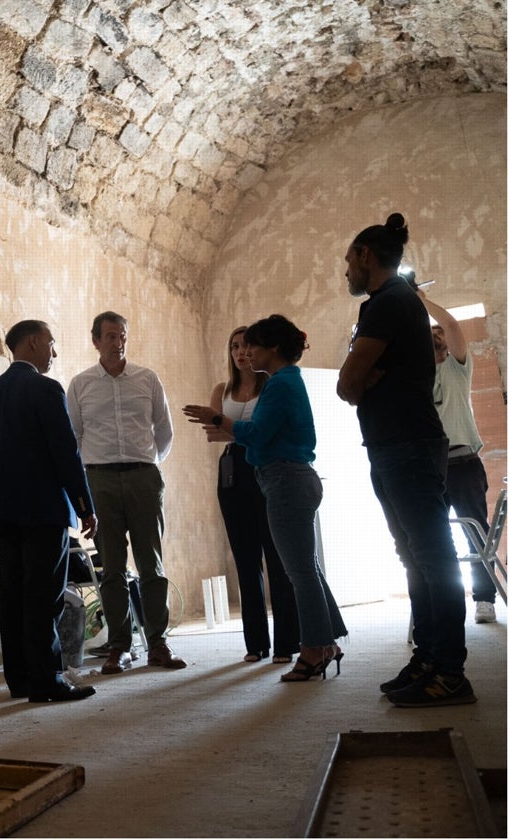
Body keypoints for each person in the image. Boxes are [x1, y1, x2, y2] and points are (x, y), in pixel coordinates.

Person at [337, 213, 476, 707]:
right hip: (395, 445)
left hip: (407, 446)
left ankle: (451, 672)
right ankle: (429, 659)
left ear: (367, 256)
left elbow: (346, 384)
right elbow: (352, 382)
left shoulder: (388, 303)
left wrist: (360, 380)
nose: (346, 271)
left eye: (349, 260)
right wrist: (359, 380)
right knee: (416, 558)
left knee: (433, 557)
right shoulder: (391, 303)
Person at [184, 315, 347, 683]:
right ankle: (326, 643)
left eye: (253, 345)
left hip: (285, 479)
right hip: (287, 478)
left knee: (298, 573)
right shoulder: (285, 381)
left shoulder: (279, 385)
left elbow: (256, 434)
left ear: (272, 348)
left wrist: (217, 418)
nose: (247, 352)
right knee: (306, 569)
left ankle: (312, 649)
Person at [0, 319, 98, 703]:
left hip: (2, 510)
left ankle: (20, 680)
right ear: (31, 343)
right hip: (43, 509)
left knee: (13, 596)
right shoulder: (45, 389)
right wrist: (84, 505)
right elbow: (65, 453)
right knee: (44, 597)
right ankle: (47, 679)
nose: (54, 352)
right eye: (51, 343)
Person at [67, 311, 186, 674]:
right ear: (96, 341)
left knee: (152, 564)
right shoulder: (81, 384)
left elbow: (164, 433)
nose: (117, 342)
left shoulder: (147, 379)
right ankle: (119, 645)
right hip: (100, 480)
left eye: (122, 335)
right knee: (112, 569)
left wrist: (143, 463)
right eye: (110, 336)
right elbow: (74, 436)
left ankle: (158, 644)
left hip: (143, 477)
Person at [206, 326, 299, 664]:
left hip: (267, 468)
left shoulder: (272, 386)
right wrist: (246, 433)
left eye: (246, 345)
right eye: (234, 346)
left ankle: (287, 643)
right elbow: (212, 436)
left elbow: (258, 431)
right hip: (233, 472)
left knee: (277, 556)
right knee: (246, 560)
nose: (241, 352)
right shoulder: (223, 389)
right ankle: (255, 643)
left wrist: (233, 429)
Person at [416, 285, 498, 624]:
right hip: (429, 467)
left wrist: (421, 303)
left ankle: (484, 599)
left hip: (463, 462)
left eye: (439, 335)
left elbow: (451, 325)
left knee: (475, 532)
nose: (436, 337)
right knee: (433, 539)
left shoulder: (457, 367)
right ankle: (444, 603)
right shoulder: (417, 375)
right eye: (429, 334)